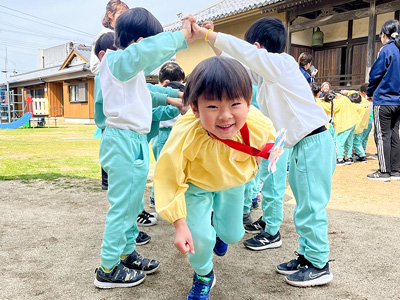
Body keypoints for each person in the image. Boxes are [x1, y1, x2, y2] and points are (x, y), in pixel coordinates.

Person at [193, 17, 336, 287]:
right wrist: (213, 44)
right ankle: (306, 256)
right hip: (302, 144)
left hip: (313, 142)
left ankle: (319, 264)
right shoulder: (269, 74)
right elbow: (238, 66)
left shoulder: (282, 63)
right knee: (305, 205)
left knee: (310, 207)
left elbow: (245, 55)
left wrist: (208, 35)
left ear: (258, 46)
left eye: (251, 48)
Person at [154, 56, 279, 299]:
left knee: (232, 234)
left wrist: (271, 149)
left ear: (248, 103)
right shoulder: (185, 133)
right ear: (194, 107)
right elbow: (168, 177)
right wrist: (179, 224)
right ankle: (203, 275)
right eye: (212, 106)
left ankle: (219, 229)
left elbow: (268, 139)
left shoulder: (254, 121)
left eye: (235, 104)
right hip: (195, 186)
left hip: (231, 183)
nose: (225, 116)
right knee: (199, 240)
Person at [93, 8, 196, 289]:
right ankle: (108, 267)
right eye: (151, 44)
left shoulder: (127, 70)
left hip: (132, 141)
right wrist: (181, 35)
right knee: (123, 207)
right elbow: (144, 54)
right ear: (139, 42)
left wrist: (175, 97)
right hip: (123, 140)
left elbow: (146, 92)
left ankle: (126, 254)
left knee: (131, 205)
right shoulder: (117, 60)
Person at [366, 19, 400, 182]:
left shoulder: (386, 50)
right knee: (394, 135)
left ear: (384, 35)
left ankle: (384, 171)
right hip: (398, 101)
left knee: (381, 135)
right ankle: (395, 170)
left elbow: (375, 74)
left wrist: (370, 92)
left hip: (384, 99)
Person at [150, 62, 187, 208]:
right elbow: (163, 114)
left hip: (172, 132)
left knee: (174, 167)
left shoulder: (162, 91)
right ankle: (156, 197)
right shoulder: (159, 95)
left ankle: (166, 196)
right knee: (162, 167)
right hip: (163, 135)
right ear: (167, 83)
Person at [90, 0, 129, 75]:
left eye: (126, 14)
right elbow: (95, 67)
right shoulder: (103, 35)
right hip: (112, 83)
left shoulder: (127, 37)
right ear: (110, 15)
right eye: (121, 13)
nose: (125, 17)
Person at [347, 92, 370, 162]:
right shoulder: (365, 104)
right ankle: (362, 155)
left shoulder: (355, 106)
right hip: (361, 127)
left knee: (351, 142)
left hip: (355, 127)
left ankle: (354, 155)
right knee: (357, 141)